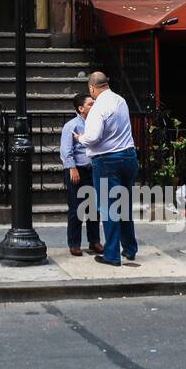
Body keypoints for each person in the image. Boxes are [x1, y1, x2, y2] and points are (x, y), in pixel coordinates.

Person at [74, 71, 139, 267]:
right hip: (129, 157)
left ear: (91, 88)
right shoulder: (121, 100)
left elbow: (93, 136)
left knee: (109, 208)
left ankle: (111, 254)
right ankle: (129, 249)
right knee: (124, 206)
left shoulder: (98, 107)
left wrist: (80, 138)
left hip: (107, 161)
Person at [60, 92, 102, 256]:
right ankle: (74, 243)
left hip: (93, 169)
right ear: (81, 108)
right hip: (78, 169)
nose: (94, 106)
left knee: (93, 208)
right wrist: (72, 168)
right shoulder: (71, 126)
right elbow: (65, 150)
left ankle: (94, 241)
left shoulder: (95, 124)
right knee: (76, 208)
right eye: (90, 104)